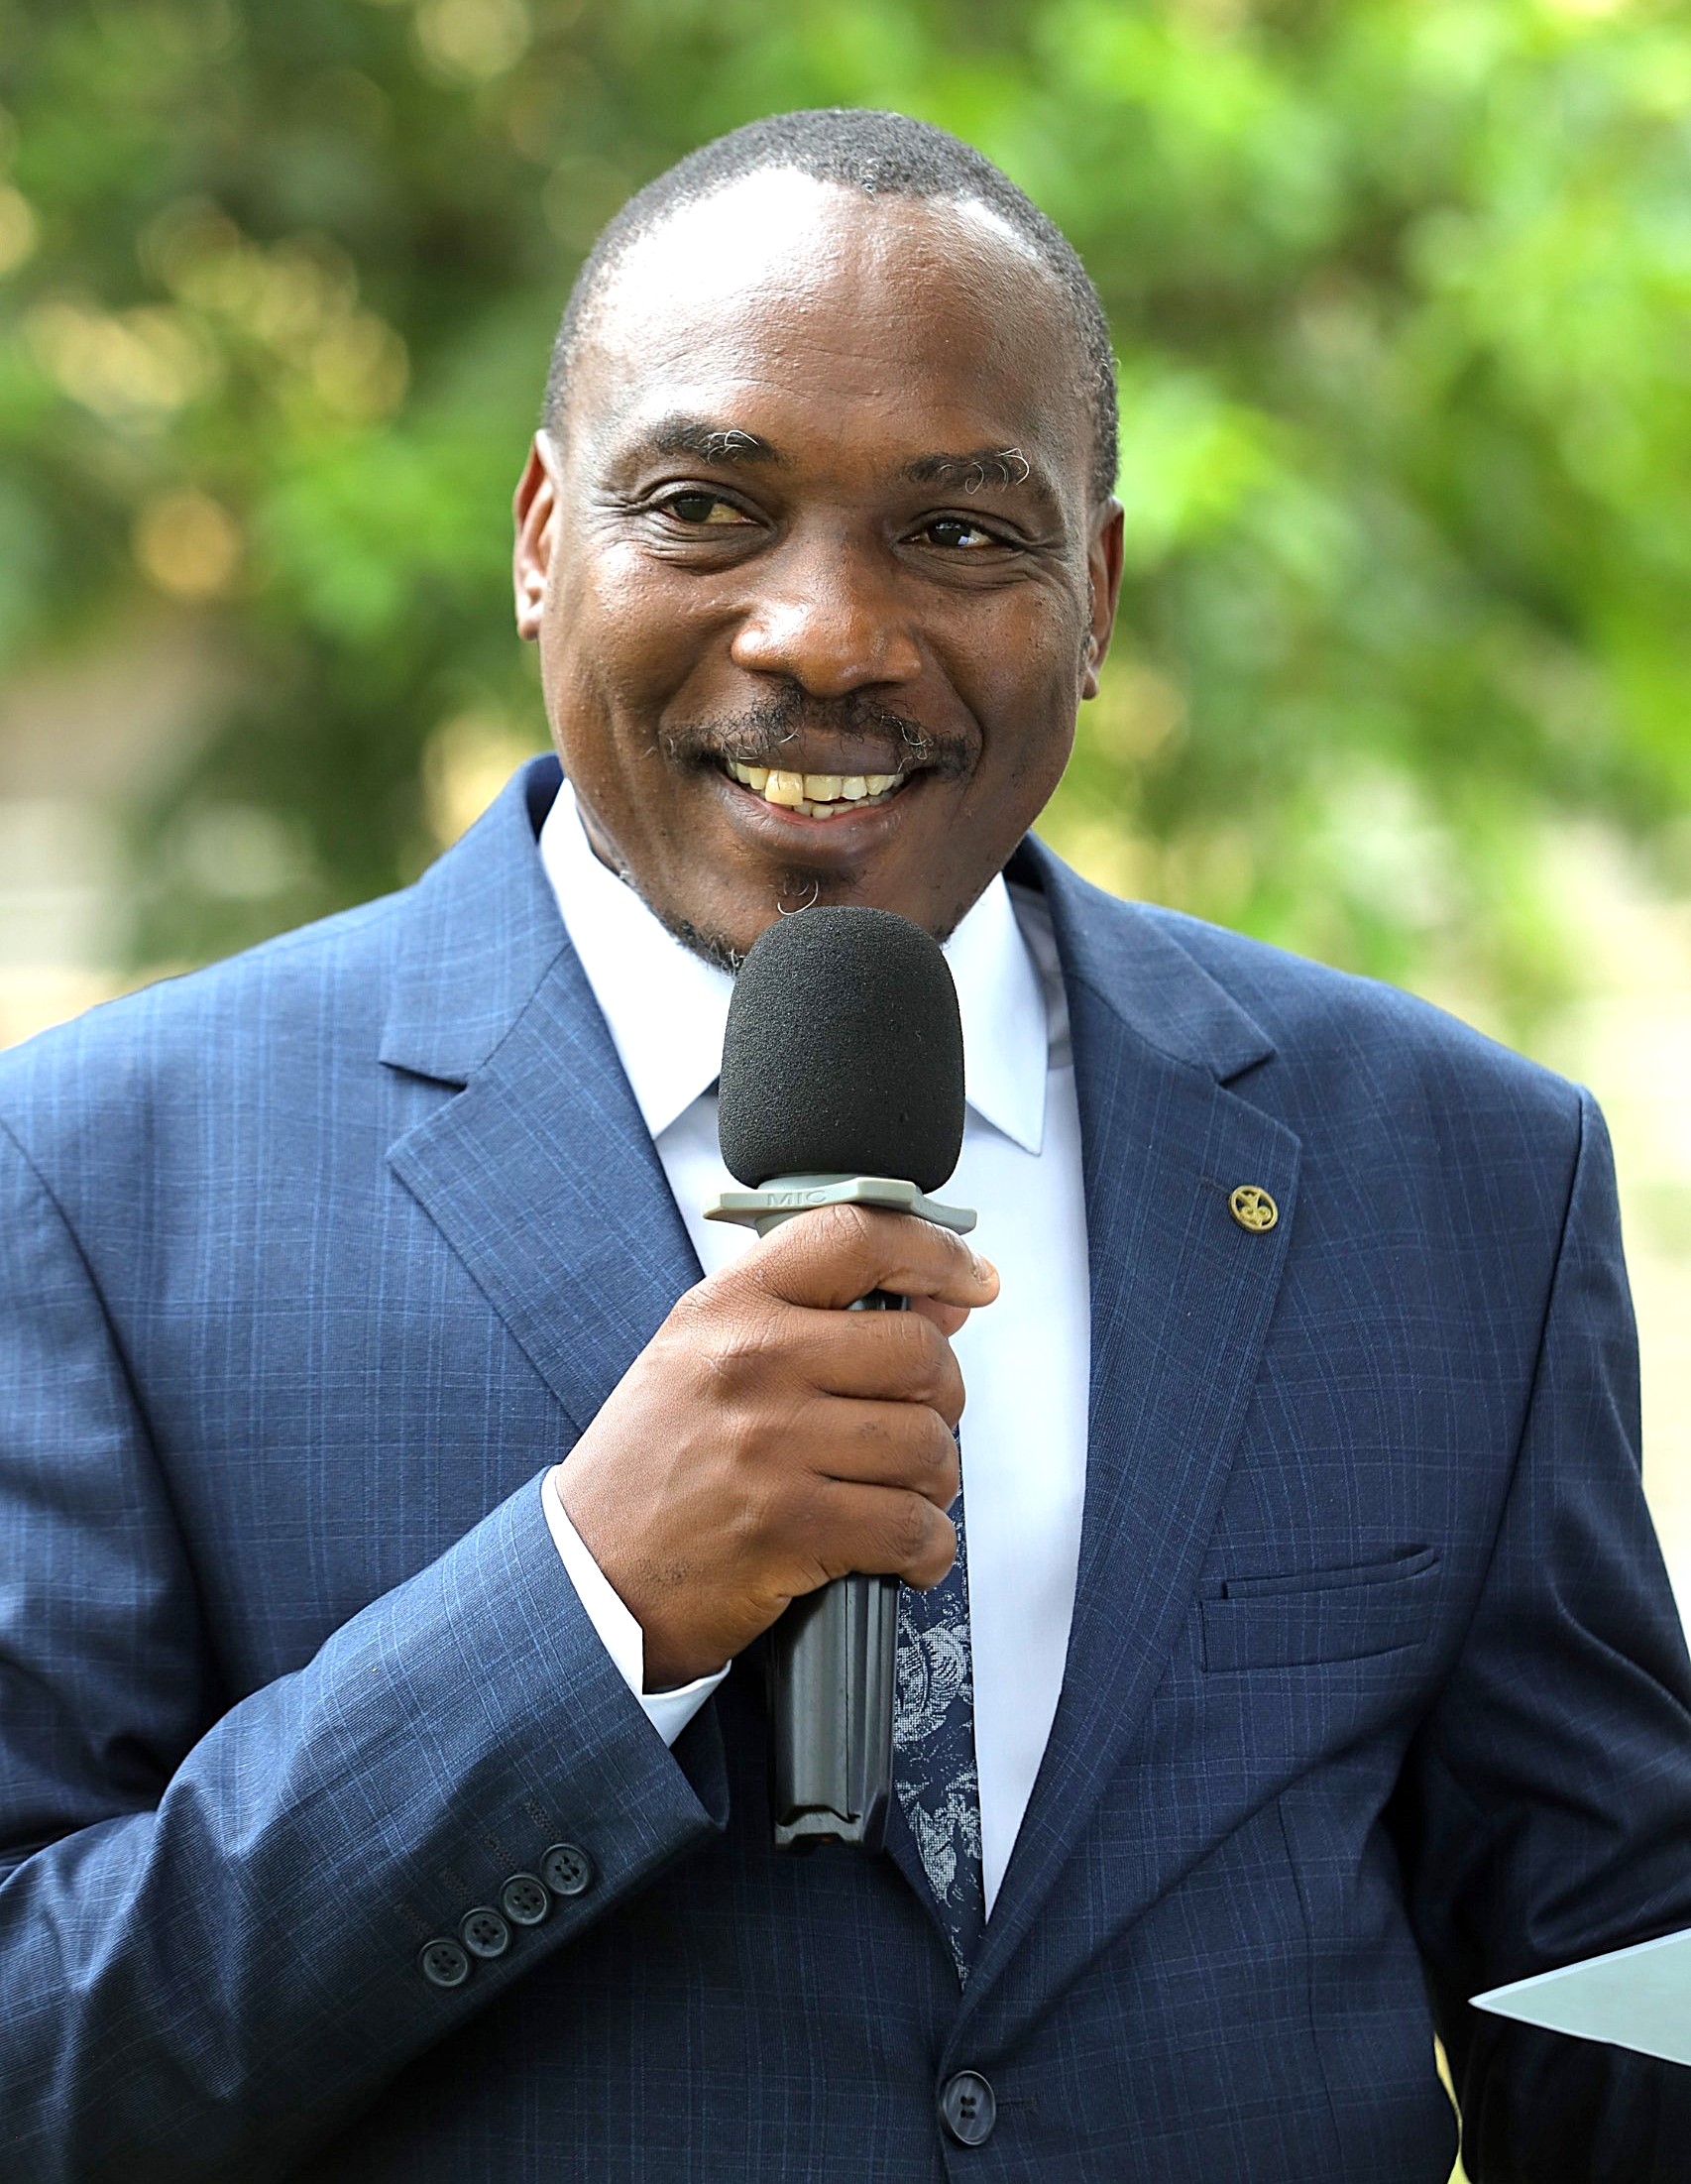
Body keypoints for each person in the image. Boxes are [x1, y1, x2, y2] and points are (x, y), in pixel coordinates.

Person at [1, 107, 1688, 2184]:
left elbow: (1608, 1950)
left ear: (1097, 588)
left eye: (960, 534)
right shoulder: (95, 1179)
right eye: (706, 506)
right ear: (542, 537)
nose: (825, 636)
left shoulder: (1454, 1174)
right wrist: (583, 1611)